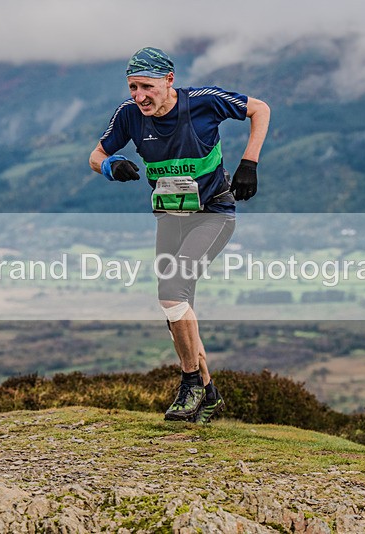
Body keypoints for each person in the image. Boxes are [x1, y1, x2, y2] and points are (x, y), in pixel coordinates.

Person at [89, 46, 270, 423]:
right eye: (132, 87)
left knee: (171, 291)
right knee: (175, 308)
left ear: (169, 80)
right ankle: (210, 394)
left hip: (213, 214)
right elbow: (95, 155)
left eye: (146, 87)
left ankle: (189, 383)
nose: (139, 96)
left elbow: (260, 109)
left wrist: (249, 162)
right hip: (170, 217)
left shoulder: (203, 102)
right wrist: (110, 166)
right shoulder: (128, 114)